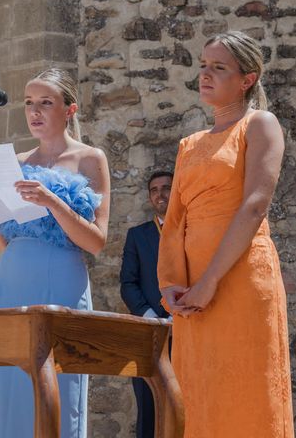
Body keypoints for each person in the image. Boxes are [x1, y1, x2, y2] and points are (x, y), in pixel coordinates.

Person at [157, 31, 294, 437]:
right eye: (202, 65)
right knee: (197, 392)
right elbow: (175, 219)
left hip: (239, 278)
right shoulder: (190, 144)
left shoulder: (261, 124)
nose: (205, 75)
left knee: (247, 389)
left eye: (218, 67)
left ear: (247, 79)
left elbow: (254, 205)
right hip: (191, 292)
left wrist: (209, 282)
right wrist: (172, 284)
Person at [0, 68, 110, 438]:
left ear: (69, 110)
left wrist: (51, 201)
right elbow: (6, 242)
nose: (35, 111)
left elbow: (96, 242)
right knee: (11, 385)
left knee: (62, 384)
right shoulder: (15, 161)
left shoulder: (90, 159)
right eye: (29, 103)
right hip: (13, 279)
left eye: (46, 103)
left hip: (62, 280)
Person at [120, 171, 173, 438]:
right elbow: (128, 284)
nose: (160, 194)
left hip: (189, 333)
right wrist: (152, 316)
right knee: (148, 407)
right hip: (149, 333)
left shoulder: (193, 230)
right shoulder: (137, 236)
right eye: (154, 190)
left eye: (166, 188)